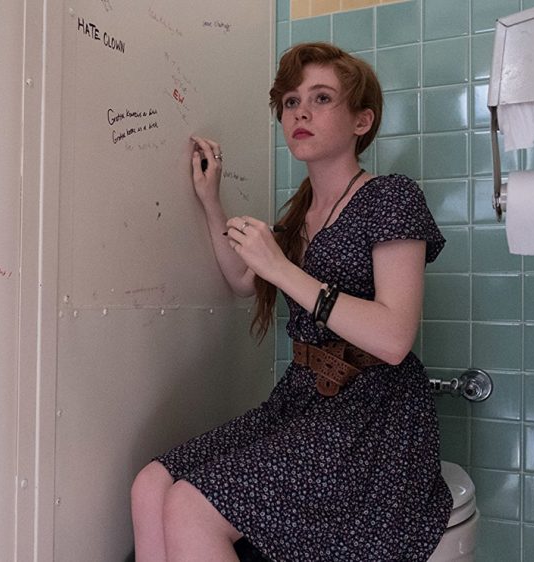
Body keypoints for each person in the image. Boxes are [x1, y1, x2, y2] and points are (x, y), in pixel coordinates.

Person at [131, 42, 452, 561]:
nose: (300, 112)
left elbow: (394, 338)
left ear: (362, 121)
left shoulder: (390, 197)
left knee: (190, 507)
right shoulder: (299, 215)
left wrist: (282, 268)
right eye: (290, 102)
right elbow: (243, 279)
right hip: (302, 400)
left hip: (374, 414)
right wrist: (212, 202)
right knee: (151, 485)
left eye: (321, 98)